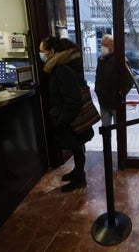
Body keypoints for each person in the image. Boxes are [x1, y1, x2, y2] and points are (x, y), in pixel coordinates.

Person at [39, 36, 94, 192]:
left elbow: (73, 100)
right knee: (77, 147)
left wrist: (62, 121)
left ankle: (80, 179)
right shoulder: (67, 64)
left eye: (42, 51)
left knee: (76, 146)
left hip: (70, 118)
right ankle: (77, 172)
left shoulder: (61, 69)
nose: (41, 55)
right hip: (72, 117)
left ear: (52, 51)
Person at [95, 34, 133, 126]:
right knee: (105, 131)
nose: (103, 47)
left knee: (119, 130)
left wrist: (120, 94)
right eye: (102, 45)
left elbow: (129, 81)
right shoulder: (101, 60)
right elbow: (98, 78)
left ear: (113, 46)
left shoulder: (121, 60)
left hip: (116, 103)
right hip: (103, 102)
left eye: (105, 45)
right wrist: (98, 92)